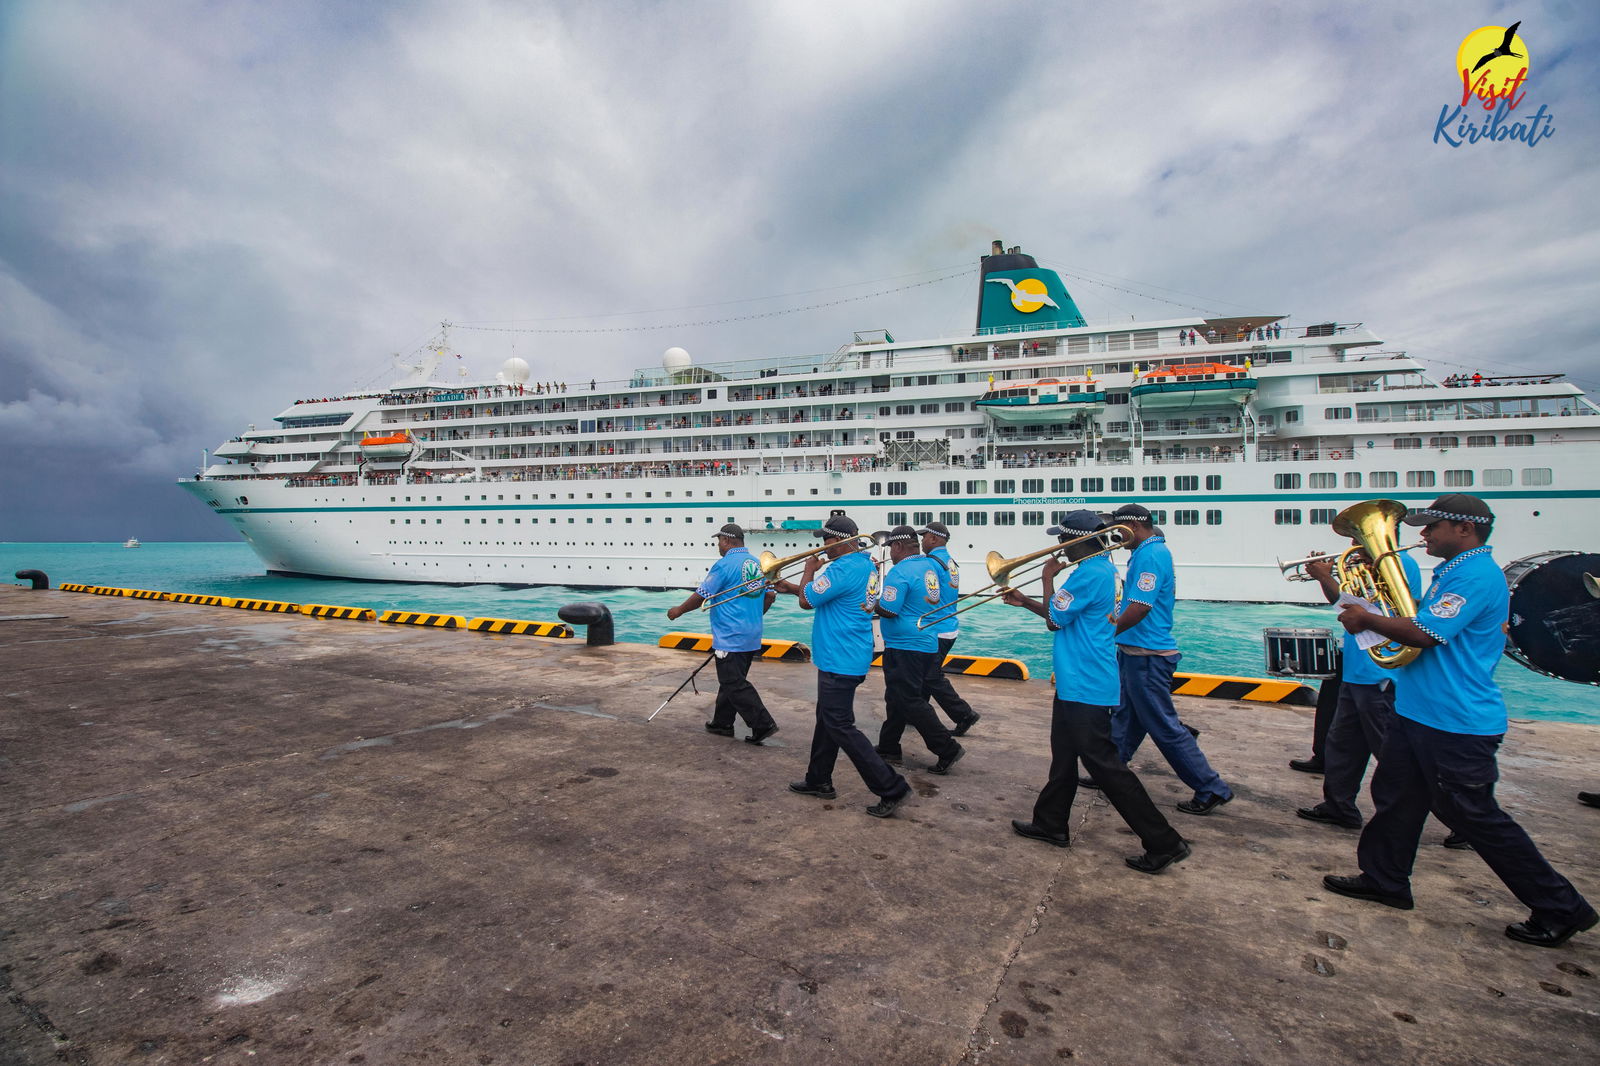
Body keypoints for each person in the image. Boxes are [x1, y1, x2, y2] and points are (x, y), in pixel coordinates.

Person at [1323, 494, 1597, 948]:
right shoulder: (1453, 572)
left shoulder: (1473, 575)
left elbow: (1427, 633)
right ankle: (1384, 879)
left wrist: (1366, 618)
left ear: (1464, 530)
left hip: (1455, 722)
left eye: (1433, 527)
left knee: (1475, 816)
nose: (1423, 534)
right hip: (1419, 711)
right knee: (1396, 799)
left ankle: (1561, 907)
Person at [1004, 513, 1192, 873]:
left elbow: (1055, 621)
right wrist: (1024, 601)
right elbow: (1071, 617)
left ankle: (1163, 841)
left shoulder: (1087, 574)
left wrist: (1046, 579)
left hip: (1085, 681)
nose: (1058, 546)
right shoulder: (1104, 568)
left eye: (1062, 540)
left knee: (1106, 767)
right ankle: (1050, 822)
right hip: (1082, 677)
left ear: (1075, 542)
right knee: (1063, 756)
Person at [772, 515, 912, 818]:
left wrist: (809, 570)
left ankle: (891, 786)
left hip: (840, 655)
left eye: (827, 541)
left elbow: (808, 601)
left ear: (838, 541)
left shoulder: (842, 567)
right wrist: (789, 585)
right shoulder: (864, 564)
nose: (824, 547)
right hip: (850, 651)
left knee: (839, 724)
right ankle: (818, 779)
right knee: (827, 718)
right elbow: (830, 596)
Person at [1106, 503, 1234, 814]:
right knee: (1126, 717)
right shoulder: (1147, 553)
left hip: (1147, 655)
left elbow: (1139, 606)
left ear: (1134, 527)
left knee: (1163, 726)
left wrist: (1105, 633)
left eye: (1118, 531)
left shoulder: (1150, 555)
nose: (1115, 538)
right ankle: (1110, 770)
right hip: (1137, 650)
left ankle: (1210, 786)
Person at [1295, 540, 1424, 831]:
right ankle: (1339, 807)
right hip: (1356, 668)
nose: (1352, 546)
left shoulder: (1396, 565)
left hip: (1379, 672)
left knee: (1391, 752)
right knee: (1343, 745)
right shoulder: (1367, 566)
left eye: (1357, 538)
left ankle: (1459, 819)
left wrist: (1326, 576)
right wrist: (1325, 578)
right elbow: (1343, 604)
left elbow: (1374, 611)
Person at [665, 523, 780, 745]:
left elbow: (702, 595)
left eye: (719, 541)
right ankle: (722, 723)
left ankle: (763, 724)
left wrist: (678, 610)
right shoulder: (758, 563)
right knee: (732, 680)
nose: (718, 545)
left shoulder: (724, 565)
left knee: (733, 682)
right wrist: (754, 616)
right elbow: (771, 596)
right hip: (751, 633)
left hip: (731, 634)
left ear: (727, 541)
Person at [874, 526, 966, 774]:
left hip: (905, 646)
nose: (890, 553)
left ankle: (947, 748)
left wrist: (871, 604)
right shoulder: (928, 565)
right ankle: (888, 746)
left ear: (897, 546)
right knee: (896, 697)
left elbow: (890, 609)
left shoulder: (900, 571)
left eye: (890, 548)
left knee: (910, 701)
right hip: (926, 640)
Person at [909, 521, 981, 736]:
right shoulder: (949, 561)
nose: (921, 541)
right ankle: (917, 713)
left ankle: (964, 714)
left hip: (937, 628)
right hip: (948, 625)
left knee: (931, 676)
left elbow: (924, 594)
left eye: (924, 537)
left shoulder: (931, 563)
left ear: (933, 538)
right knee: (926, 674)